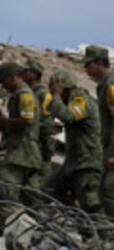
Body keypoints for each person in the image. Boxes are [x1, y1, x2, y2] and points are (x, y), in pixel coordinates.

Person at [43, 68, 102, 215]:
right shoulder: (72, 102)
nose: (53, 94)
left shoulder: (82, 100)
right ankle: (76, 217)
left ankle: (105, 234)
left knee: (91, 206)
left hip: (87, 163)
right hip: (74, 162)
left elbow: (69, 116)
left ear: (64, 88)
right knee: (49, 190)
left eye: (54, 90)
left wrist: (56, 95)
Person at [0, 62, 42, 229]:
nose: (4, 86)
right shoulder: (22, 94)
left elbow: (27, 121)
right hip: (28, 155)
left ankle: (8, 236)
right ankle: (43, 233)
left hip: (20, 154)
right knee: (33, 200)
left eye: (4, 82)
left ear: (12, 77)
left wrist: (5, 121)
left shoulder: (25, 95)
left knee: (5, 198)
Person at [84, 44, 114, 216]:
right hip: (108, 146)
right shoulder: (104, 85)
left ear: (99, 63)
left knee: (109, 193)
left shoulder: (111, 85)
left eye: (88, 64)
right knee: (103, 192)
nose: (86, 68)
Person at [22, 58, 56, 177]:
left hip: (41, 144)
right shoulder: (27, 92)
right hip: (30, 144)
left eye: (26, 71)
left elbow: (46, 122)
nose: (23, 73)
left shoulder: (42, 93)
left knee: (42, 177)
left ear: (35, 74)